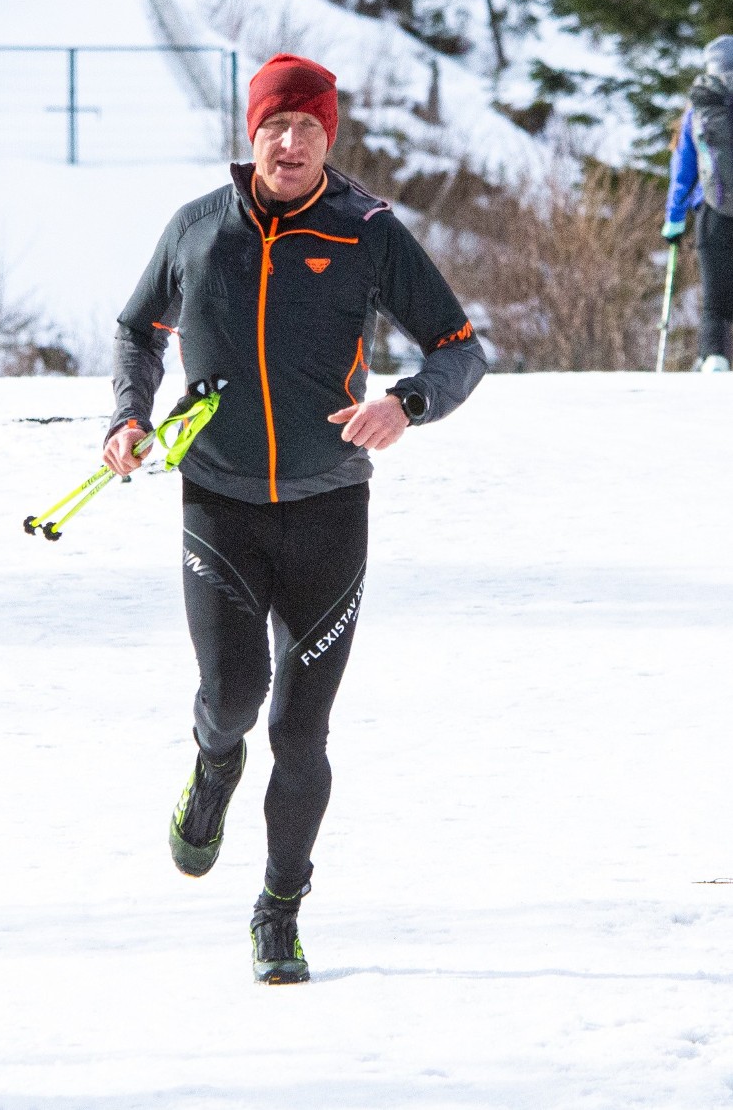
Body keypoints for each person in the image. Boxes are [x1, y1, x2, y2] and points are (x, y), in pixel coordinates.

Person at [102, 52, 487, 984]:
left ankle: (279, 907)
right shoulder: (197, 229)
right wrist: (127, 412)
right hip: (221, 507)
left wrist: (411, 402)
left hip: (328, 511)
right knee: (234, 701)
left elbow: (459, 347)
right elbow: (135, 328)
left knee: (302, 732)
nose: (290, 141)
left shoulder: (367, 231)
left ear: (328, 139)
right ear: (253, 133)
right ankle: (211, 763)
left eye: (308, 128)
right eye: (275, 125)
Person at [662, 35, 733, 372]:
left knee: (715, 302)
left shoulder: (698, 109)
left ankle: (713, 360)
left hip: (712, 211)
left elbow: (683, 172)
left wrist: (674, 221)